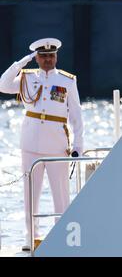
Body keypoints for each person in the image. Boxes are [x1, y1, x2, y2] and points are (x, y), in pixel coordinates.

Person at [0, 38, 84, 251]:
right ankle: (31, 237)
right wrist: (21, 63)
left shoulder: (67, 81)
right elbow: (2, 84)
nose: (48, 59)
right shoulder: (26, 77)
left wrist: (78, 145)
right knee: (30, 194)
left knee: (61, 194)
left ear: (56, 56)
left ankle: (62, 236)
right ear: (36, 57)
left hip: (57, 144)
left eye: (51, 56)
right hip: (30, 144)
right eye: (43, 56)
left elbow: (76, 115)